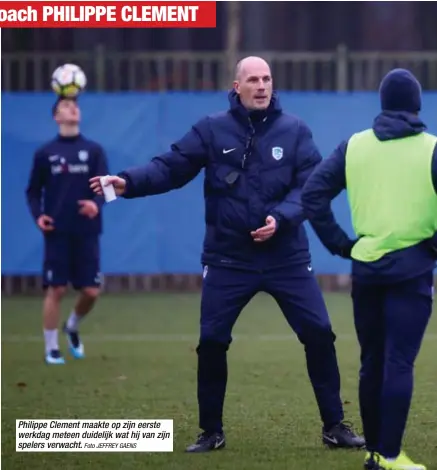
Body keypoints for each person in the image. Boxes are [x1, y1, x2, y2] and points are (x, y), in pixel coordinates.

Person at [90, 56, 364, 453]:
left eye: (267, 79)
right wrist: (127, 182)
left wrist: (281, 219)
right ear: (237, 86)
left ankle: (335, 426)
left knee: (319, 333)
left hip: (285, 257)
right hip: (228, 259)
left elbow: (309, 188)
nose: (261, 86)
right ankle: (211, 431)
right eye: (252, 79)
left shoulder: (295, 131)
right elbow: (171, 167)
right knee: (213, 341)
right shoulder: (212, 129)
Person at [301, 68, 435, 470]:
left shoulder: (355, 146)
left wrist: (342, 245)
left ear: (382, 104)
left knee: (372, 362)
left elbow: (312, 195)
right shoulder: (431, 148)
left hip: (366, 270)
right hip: (412, 269)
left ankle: (375, 453)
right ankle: (390, 456)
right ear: (416, 105)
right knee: (398, 363)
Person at [26, 97, 109, 365]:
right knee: (56, 289)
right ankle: (51, 348)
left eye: (75, 104)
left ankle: (71, 326)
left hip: (87, 231)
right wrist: (39, 216)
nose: (72, 108)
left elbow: (106, 188)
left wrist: (95, 205)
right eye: (65, 105)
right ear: (56, 117)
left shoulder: (94, 150)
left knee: (92, 291)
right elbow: (32, 191)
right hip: (57, 232)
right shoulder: (45, 153)